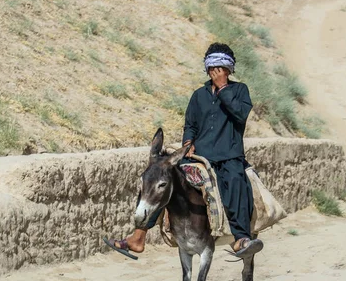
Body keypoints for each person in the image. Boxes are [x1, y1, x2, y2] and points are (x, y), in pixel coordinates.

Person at [104, 42, 263, 259]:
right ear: (207, 69)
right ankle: (139, 236)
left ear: (229, 69)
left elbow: (240, 115)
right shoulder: (198, 96)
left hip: (229, 156)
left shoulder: (239, 90)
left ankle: (241, 238)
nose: (216, 72)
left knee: (236, 182)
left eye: (221, 68)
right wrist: (188, 143)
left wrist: (224, 88)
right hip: (199, 156)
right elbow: (190, 124)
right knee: (161, 178)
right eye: (212, 68)